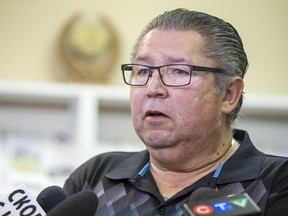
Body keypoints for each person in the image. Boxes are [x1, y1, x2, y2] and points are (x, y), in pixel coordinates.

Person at [63, 8, 288, 215]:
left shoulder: (277, 182)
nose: (153, 89)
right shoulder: (96, 176)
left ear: (229, 95)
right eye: (142, 71)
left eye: (179, 71)